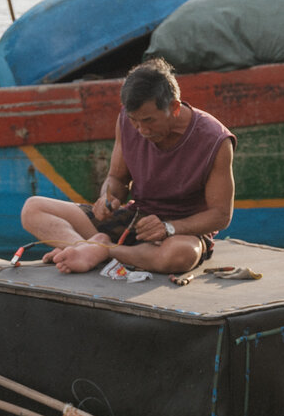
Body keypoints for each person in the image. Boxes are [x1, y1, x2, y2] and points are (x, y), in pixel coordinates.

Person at [19, 58, 235, 277]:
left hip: (182, 232)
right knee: (33, 209)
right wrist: (107, 196)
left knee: (180, 255)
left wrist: (169, 227)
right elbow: (117, 179)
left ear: (175, 107)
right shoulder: (125, 120)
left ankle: (96, 250)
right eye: (135, 121)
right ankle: (89, 249)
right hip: (136, 220)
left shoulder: (215, 140)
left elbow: (221, 215)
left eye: (149, 120)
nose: (141, 129)